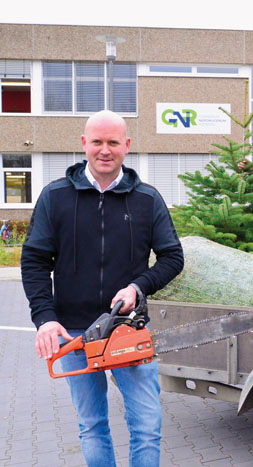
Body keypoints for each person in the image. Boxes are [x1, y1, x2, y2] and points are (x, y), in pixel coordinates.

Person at [21, 110, 184, 467]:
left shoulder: (147, 199)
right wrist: (45, 319)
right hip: (73, 332)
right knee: (92, 426)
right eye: (97, 142)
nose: (104, 150)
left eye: (113, 142)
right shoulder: (55, 197)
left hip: (128, 330)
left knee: (147, 425)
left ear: (126, 146)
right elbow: (34, 261)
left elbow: (173, 258)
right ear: (84, 144)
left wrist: (138, 287)